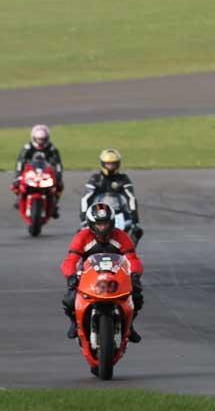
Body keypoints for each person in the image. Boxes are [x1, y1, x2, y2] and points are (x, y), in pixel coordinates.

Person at [60, 202, 144, 343]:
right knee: (69, 300)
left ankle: (130, 326)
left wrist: (134, 275)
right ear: (91, 224)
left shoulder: (121, 236)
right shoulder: (82, 237)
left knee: (137, 296)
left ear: (111, 223)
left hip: (116, 278)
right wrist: (71, 276)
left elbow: (132, 259)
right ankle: (75, 323)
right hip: (89, 278)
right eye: (99, 224)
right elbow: (70, 260)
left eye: (105, 223)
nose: (102, 227)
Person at [80, 148, 142, 242]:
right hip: (99, 213)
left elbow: (131, 198)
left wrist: (135, 219)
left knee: (137, 231)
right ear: (103, 163)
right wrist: (84, 218)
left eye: (113, 163)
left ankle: (130, 253)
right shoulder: (95, 179)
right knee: (81, 233)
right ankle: (84, 255)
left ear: (118, 164)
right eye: (108, 163)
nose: (111, 166)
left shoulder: (123, 178)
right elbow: (85, 199)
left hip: (119, 212)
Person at [12, 125, 64, 218]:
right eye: (39, 139)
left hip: (46, 173)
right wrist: (18, 175)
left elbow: (58, 164)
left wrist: (58, 176)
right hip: (30, 172)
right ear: (34, 138)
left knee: (59, 185)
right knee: (16, 184)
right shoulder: (27, 148)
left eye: (43, 139)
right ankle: (19, 198)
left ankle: (54, 204)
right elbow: (20, 162)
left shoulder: (52, 149)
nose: (41, 142)